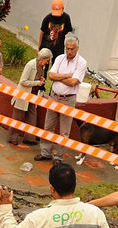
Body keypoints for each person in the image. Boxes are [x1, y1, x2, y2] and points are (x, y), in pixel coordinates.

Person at [37, 34, 87, 164]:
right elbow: (51, 75)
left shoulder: (81, 63)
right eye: (67, 48)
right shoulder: (59, 58)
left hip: (68, 99)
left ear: (77, 48)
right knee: (48, 126)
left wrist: (59, 77)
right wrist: (67, 75)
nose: (69, 51)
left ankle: (58, 157)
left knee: (64, 131)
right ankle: (45, 153)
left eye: (72, 49)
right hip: (54, 96)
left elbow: (73, 82)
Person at [9, 47, 51, 146]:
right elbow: (23, 81)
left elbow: (36, 77)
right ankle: (12, 137)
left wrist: (41, 79)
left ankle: (29, 138)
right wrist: (37, 83)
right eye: (47, 60)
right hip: (24, 93)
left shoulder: (41, 66)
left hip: (33, 94)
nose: (47, 63)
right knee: (18, 116)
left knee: (32, 116)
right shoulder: (30, 65)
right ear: (42, 58)